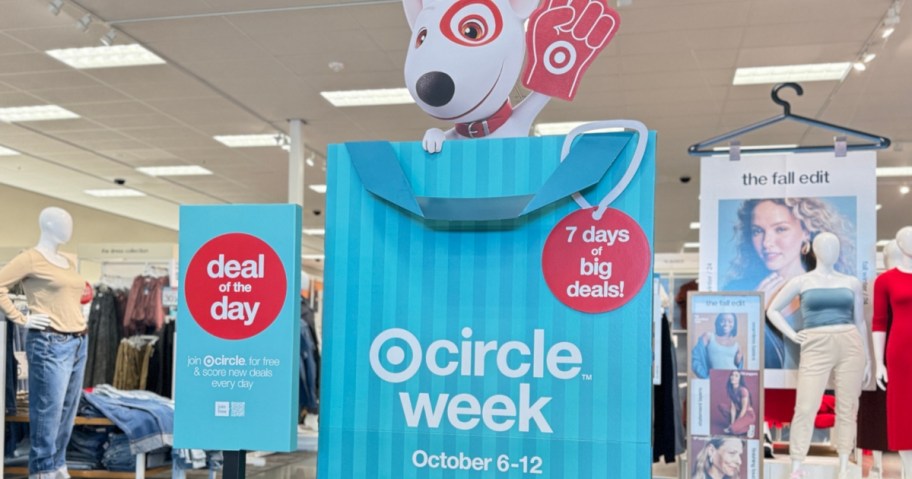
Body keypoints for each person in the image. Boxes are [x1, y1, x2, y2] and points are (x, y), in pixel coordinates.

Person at [767, 232, 868, 479]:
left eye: (834, 245)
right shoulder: (803, 282)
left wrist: (867, 358)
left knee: (848, 407)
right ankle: (796, 464)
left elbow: (860, 321)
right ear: (813, 249)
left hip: (850, 341)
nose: (829, 250)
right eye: (824, 245)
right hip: (815, 342)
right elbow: (773, 310)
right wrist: (791, 334)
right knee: (806, 405)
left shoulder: (851, 282)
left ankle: (844, 464)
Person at [0, 207, 88, 479]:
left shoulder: (67, 261)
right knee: (47, 410)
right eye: (63, 222)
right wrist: (21, 318)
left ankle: (57, 464)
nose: (68, 226)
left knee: (67, 409)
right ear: (47, 225)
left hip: (78, 340)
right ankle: (42, 469)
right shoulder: (30, 258)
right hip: (50, 341)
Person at [725, 197, 855, 369]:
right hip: (763, 391)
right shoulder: (734, 291)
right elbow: (730, 362)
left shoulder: (833, 291)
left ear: (806, 232)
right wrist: (753, 315)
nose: (766, 243)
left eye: (780, 229)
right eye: (757, 231)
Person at [873, 226, 912, 478]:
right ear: (899, 244)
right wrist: (879, 363)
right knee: (903, 412)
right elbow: (879, 321)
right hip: (900, 353)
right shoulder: (886, 280)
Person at [691, 313, 742, 379]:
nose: (726, 324)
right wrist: (706, 377)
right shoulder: (708, 337)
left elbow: (738, 367)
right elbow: (695, 359)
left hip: (731, 382)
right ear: (718, 322)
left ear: (734, 324)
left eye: (730, 321)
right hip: (714, 381)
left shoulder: (736, 345)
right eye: (722, 321)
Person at [716, 370, 756, 437]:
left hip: (748, 414)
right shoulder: (731, 390)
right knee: (721, 406)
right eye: (732, 375)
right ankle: (736, 427)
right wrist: (732, 423)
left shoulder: (743, 390)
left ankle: (749, 427)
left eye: (736, 376)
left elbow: (744, 409)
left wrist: (734, 424)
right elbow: (733, 408)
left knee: (733, 430)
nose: (733, 377)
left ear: (740, 379)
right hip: (739, 412)